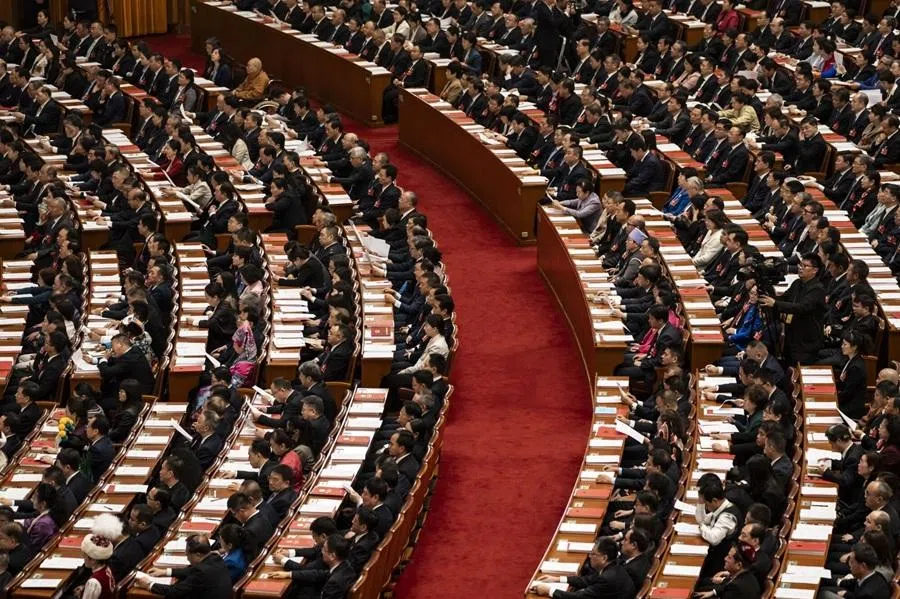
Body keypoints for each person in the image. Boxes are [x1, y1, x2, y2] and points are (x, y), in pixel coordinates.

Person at [758, 253, 826, 364]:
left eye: (805, 266)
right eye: (800, 264)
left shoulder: (817, 290)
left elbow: (802, 307)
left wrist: (775, 303)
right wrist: (766, 293)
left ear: (815, 270)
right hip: (791, 335)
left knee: (797, 368)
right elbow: (783, 299)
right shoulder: (797, 283)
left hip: (806, 342)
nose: (800, 268)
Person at [531, 538, 636, 598]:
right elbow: (587, 580)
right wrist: (557, 579)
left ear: (604, 558)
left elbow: (579, 598)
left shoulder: (607, 578)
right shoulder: (614, 565)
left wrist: (549, 590)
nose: (590, 556)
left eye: (593, 554)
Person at [136, 534, 233, 598]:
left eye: (188, 554)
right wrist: (165, 572)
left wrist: (149, 585)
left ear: (198, 554)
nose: (187, 558)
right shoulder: (215, 557)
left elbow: (175, 591)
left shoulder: (201, 572)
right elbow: (192, 570)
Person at [79, 514, 122, 599]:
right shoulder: (106, 569)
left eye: (85, 555)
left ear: (93, 560)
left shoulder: (93, 583)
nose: (82, 557)